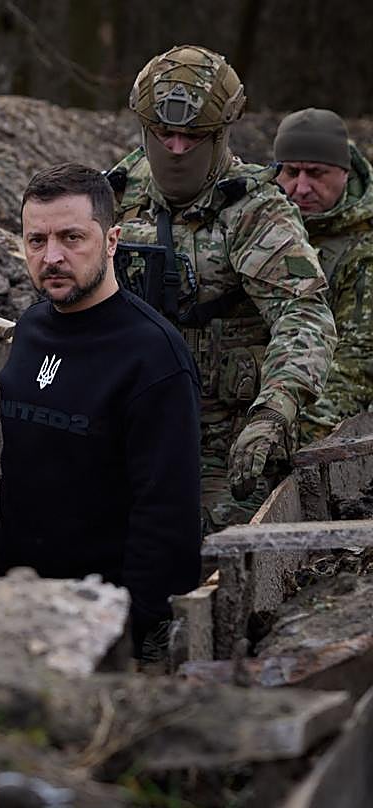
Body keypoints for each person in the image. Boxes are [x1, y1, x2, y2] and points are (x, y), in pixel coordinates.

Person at [108, 45, 337, 531]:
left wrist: (274, 411)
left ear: (219, 135)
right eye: (163, 134)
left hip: (224, 438)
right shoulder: (119, 194)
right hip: (130, 421)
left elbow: (305, 315)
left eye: (192, 137)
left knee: (209, 557)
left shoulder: (255, 211)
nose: (175, 149)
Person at [0, 163, 202, 658]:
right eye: (36, 240)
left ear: (112, 241)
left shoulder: (153, 357)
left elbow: (168, 513)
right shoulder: (30, 329)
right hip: (19, 605)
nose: (52, 256)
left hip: (105, 622)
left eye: (71, 237)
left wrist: (131, 627)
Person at [273, 108, 373, 441]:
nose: (301, 188)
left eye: (316, 173)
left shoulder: (362, 250)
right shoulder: (255, 229)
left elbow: (357, 364)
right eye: (291, 172)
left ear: (344, 173)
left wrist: (294, 437)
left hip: (314, 419)